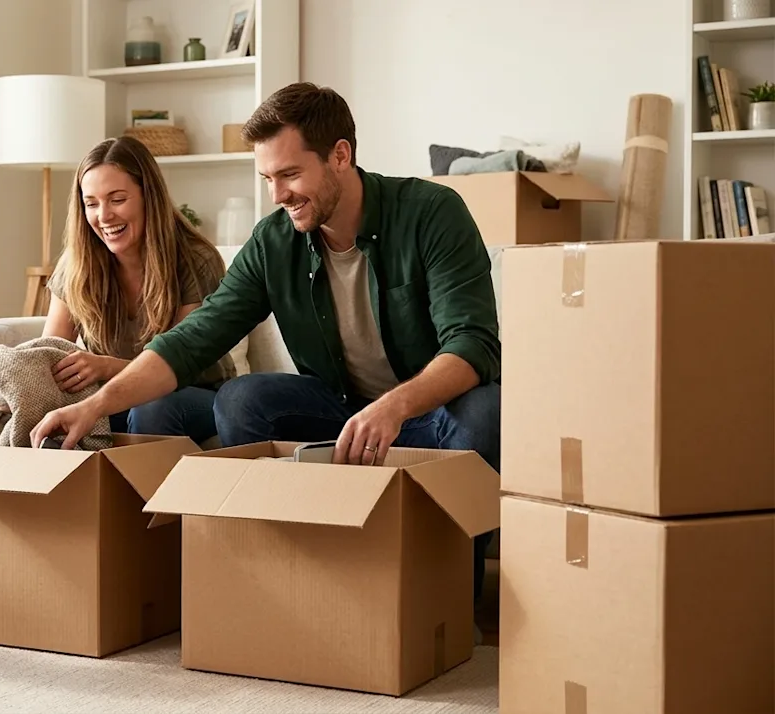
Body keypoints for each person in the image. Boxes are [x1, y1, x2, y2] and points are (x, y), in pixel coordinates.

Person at [30, 82, 501, 604]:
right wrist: (92, 407)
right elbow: (192, 340)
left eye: (291, 174)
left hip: (428, 413)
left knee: (487, 411)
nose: (278, 195)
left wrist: (393, 406)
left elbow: (472, 343)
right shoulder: (274, 241)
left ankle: (452, 595)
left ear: (340, 156)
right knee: (243, 397)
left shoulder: (431, 212)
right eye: (268, 178)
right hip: (340, 413)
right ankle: (270, 576)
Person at [41, 135, 236, 446]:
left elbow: (182, 364)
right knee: (56, 409)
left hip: (194, 393)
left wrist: (105, 366)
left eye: (117, 199)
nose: (104, 216)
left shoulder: (196, 260)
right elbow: (48, 352)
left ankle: (147, 497)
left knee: (151, 407)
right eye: (91, 203)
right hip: (111, 395)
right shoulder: (76, 264)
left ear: (149, 197)